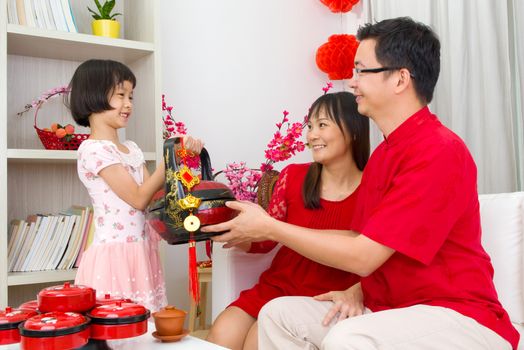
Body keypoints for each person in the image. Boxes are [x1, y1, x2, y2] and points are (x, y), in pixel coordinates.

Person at [204, 17, 520, 350]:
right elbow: (361, 238)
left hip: (455, 314)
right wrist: (357, 289)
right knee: (279, 314)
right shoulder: (385, 153)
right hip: (390, 309)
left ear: (400, 79)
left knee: (348, 337)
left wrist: (271, 228)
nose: (352, 82)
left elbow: (363, 256)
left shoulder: (438, 150)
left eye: (361, 71)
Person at [206, 91, 370, 350]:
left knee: (256, 341)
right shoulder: (293, 176)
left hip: (328, 296)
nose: (311, 135)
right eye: (310, 126)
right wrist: (236, 232)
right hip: (280, 284)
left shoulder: (373, 188)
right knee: (220, 336)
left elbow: (376, 255)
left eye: (322, 125)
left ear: (354, 130)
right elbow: (266, 240)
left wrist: (358, 291)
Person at [68, 59, 203, 312]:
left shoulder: (131, 149)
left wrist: (181, 156)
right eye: (121, 95)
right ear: (93, 96)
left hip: (142, 253)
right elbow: (138, 198)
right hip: (114, 260)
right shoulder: (93, 150)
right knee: (119, 329)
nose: (128, 104)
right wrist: (168, 157)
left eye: (131, 96)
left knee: (144, 326)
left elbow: (154, 198)